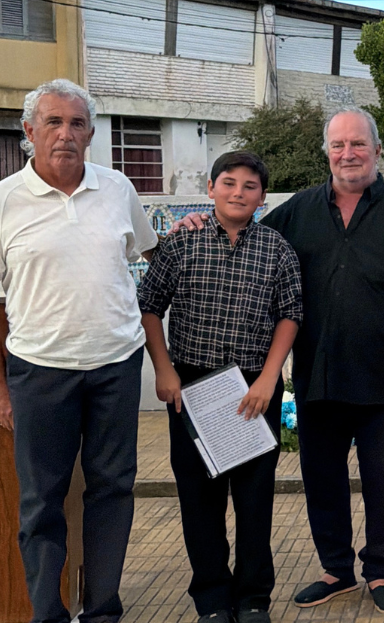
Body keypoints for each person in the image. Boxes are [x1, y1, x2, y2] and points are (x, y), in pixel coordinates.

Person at [173, 108, 384, 615]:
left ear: (377, 150)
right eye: (338, 145)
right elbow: (242, 227)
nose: (348, 153)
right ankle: (336, 570)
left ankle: (380, 570)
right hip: (317, 375)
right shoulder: (298, 210)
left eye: (358, 144)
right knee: (322, 480)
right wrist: (198, 219)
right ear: (327, 153)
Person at [0, 79, 158, 623]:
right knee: (41, 502)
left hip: (116, 366)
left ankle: (101, 611)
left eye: (76, 124)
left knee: (113, 490)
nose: (65, 134)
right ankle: (47, 613)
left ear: (91, 134)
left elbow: (151, 250)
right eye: (53, 122)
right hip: (39, 373)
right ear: (29, 132)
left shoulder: (118, 189)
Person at [136, 152, 303, 623]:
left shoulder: (276, 249)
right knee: (199, 500)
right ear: (210, 189)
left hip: (254, 388)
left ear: (262, 197)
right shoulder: (181, 244)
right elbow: (149, 305)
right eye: (228, 183)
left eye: (250, 186)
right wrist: (164, 370)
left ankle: (252, 598)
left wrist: (271, 378)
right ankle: (211, 599)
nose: (238, 192)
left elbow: (291, 313)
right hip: (191, 387)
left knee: (254, 499)